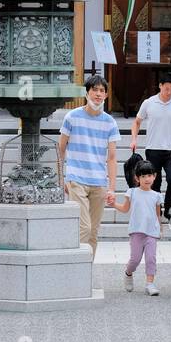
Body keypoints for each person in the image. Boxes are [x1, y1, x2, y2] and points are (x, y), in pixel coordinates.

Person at [58, 74, 119, 258]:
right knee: (84, 227)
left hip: (99, 181)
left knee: (94, 231)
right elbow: (61, 149)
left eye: (102, 91)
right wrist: (61, 179)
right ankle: (76, 269)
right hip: (76, 178)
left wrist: (112, 188)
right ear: (87, 93)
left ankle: (85, 272)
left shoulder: (110, 122)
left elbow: (113, 157)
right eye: (95, 90)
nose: (98, 94)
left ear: (106, 96)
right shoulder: (71, 117)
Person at [129, 73, 171, 223]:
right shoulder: (149, 103)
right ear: (160, 86)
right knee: (154, 182)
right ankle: (155, 209)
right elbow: (137, 122)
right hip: (153, 148)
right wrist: (134, 139)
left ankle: (169, 209)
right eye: (167, 89)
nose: (169, 92)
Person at [109, 160, 161, 296]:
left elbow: (157, 213)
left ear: (154, 176)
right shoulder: (132, 192)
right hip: (136, 232)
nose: (147, 179)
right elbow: (125, 209)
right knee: (135, 260)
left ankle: (150, 284)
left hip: (151, 232)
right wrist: (114, 205)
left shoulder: (157, 196)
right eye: (143, 176)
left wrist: (159, 227)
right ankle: (128, 273)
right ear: (137, 178)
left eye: (149, 175)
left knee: (151, 259)